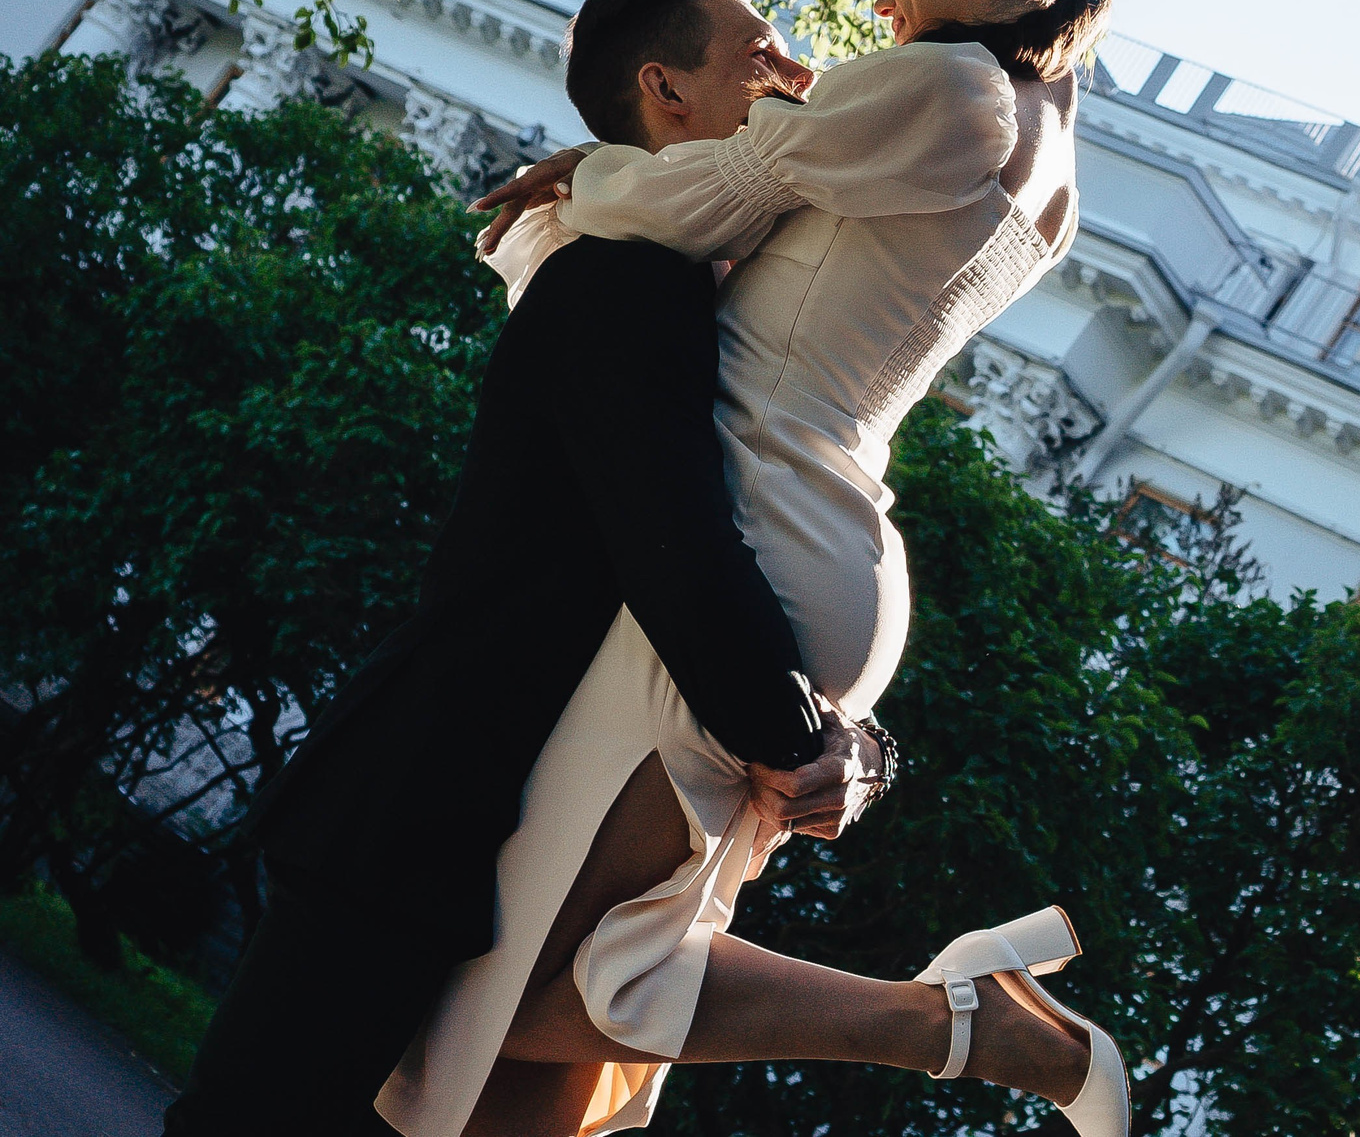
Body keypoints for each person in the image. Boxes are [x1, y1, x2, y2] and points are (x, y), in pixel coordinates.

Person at [399, 0, 1125, 1137]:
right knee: (552, 1028)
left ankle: (952, 1022)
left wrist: (586, 171)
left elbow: (728, 184)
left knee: (530, 980)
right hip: (822, 529)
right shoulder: (1057, 150)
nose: (884, 3)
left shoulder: (954, 83)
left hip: (750, 529)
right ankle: (955, 1021)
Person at [161, 75, 868, 1135]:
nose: (795, 85)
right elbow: (675, 555)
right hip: (416, 814)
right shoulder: (627, 286)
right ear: (668, 90)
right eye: (759, 54)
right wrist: (800, 739)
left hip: (478, 825)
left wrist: (848, 750)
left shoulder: (675, 293)